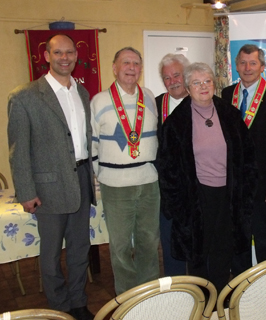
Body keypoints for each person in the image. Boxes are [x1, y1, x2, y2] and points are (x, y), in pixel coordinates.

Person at [7, 34, 94, 320]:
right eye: (58, 53)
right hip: (47, 187)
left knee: (80, 248)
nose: (65, 57)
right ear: (46, 56)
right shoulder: (25, 96)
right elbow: (18, 151)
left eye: (70, 52)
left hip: (81, 178)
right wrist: (26, 192)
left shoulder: (81, 93)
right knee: (51, 254)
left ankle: (79, 302)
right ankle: (60, 306)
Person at [158, 62, 257, 294]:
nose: (203, 86)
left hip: (228, 194)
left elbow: (248, 155)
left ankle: (221, 296)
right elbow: (167, 167)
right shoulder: (177, 121)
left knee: (224, 248)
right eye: (197, 82)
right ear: (188, 88)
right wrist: (177, 205)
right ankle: (201, 297)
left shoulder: (229, 114)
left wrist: (247, 191)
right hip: (196, 195)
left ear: (214, 84)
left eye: (207, 81)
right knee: (198, 249)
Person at [91, 47, 160, 295]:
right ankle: (129, 297)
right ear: (115, 68)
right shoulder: (99, 100)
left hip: (149, 183)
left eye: (136, 63)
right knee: (120, 247)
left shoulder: (150, 97)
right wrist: (103, 175)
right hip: (115, 186)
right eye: (125, 63)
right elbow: (92, 144)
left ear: (141, 69)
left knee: (149, 242)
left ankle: (150, 293)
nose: (131, 67)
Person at [222, 44, 266, 275]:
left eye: (253, 63)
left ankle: (265, 282)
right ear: (236, 66)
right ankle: (240, 282)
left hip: (263, 183)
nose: (247, 68)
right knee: (237, 234)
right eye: (242, 63)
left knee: (262, 235)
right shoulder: (225, 95)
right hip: (233, 183)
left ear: (262, 67)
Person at [155, 53, 190, 277]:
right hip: (166, 189)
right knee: (169, 242)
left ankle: (201, 288)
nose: (172, 81)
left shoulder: (202, 101)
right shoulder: (154, 105)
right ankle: (175, 289)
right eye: (166, 78)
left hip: (197, 186)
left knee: (197, 240)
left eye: (176, 75)